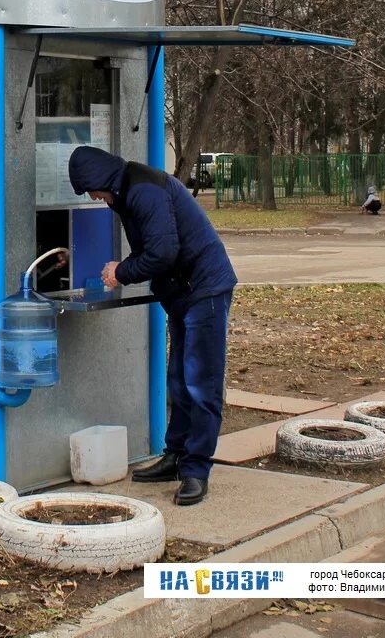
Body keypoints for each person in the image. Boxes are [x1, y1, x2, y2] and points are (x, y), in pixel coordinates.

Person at [68, 146, 237, 507]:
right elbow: (154, 245)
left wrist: (122, 272)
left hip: (204, 289)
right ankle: (176, 456)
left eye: (92, 191)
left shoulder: (143, 191)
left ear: (102, 181)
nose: (94, 198)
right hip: (183, 292)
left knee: (201, 384)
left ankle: (196, 471)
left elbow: (163, 252)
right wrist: (126, 265)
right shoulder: (128, 191)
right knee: (179, 379)